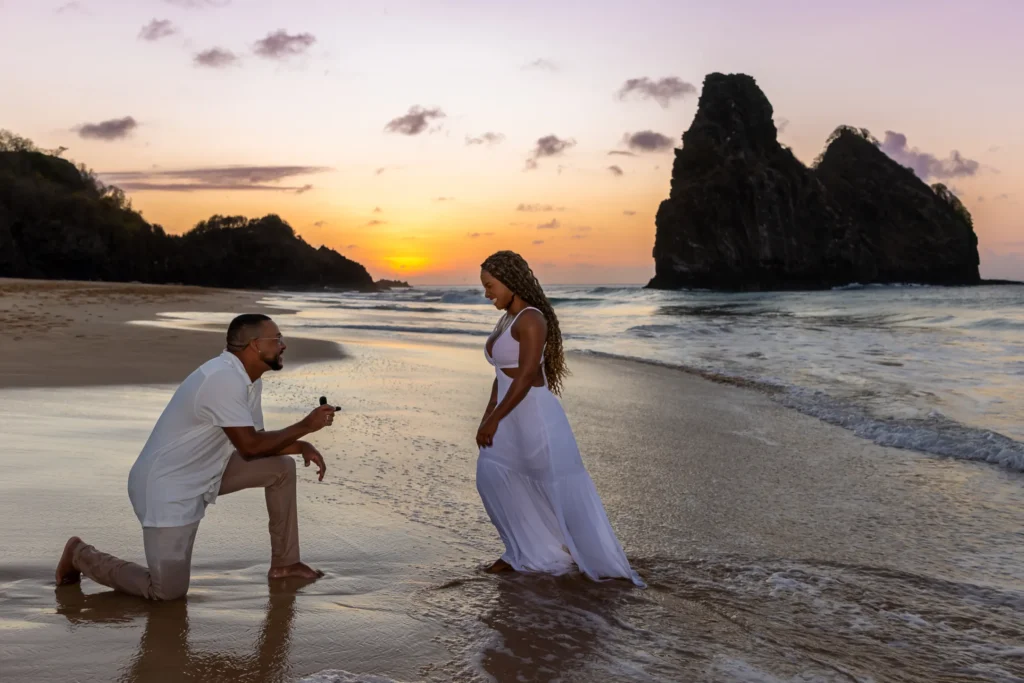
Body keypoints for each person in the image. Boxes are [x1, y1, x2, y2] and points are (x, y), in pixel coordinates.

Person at [55, 314, 336, 600]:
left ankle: (286, 564)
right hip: (168, 487)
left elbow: (258, 440)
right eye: (276, 339)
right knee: (167, 592)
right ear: (254, 345)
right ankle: (80, 554)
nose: (283, 345)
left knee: (281, 468)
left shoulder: (248, 380)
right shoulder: (223, 379)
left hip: (209, 471)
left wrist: (299, 446)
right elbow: (251, 448)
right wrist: (306, 425)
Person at [475, 251, 644, 586]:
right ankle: (524, 551)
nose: (486, 293)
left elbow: (526, 376)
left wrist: (495, 419)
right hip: (509, 413)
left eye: (490, 285)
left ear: (510, 281)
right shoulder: (507, 319)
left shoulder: (531, 319)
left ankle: (589, 559)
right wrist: (487, 416)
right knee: (492, 475)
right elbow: (501, 376)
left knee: (555, 486)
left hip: (535, 417)